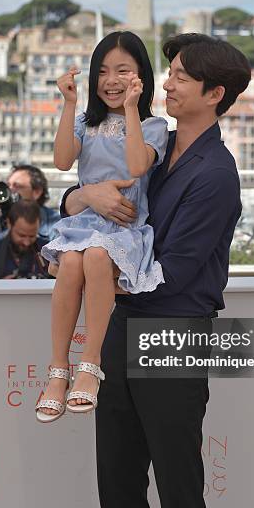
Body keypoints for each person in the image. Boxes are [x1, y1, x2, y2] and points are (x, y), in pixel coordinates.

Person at [61, 33, 251, 508]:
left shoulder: (215, 173)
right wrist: (83, 196)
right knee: (117, 481)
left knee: (177, 484)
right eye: (170, 72)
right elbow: (87, 187)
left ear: (215, 93)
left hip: (174, 331)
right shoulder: (154, 144)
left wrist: (95, 263)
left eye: (182, 77)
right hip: (121, 325)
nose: (167, 82)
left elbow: (177, 269)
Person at [36, 31, 168, 423]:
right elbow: (62, 161)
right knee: (74, 264)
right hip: (84, 222)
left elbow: (137, 166)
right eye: (104, 71)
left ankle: (89, 364)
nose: (111, 80)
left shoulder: (153, 125)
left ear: (140, 76)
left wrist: (130, 109)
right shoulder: (84, 122)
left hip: (124, 228)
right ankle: (59, 371)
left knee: (95, 256)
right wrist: (69, 103)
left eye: (123, 71)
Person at [0, 164, 60, 241]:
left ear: (37, 192)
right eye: (8, 186)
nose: (10, 191)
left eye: (17, 186)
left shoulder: (55, 224)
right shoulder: (1, 220)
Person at [0, 200, 49, 279]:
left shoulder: (48, 250)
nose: (26, 242)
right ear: (9, 224)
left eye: (32, 236)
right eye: (22, 235)